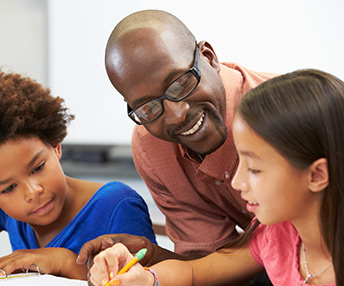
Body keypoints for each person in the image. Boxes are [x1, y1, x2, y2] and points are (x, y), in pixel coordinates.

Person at [88, 69, 343, 286]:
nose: (237, 181)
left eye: (254, 168)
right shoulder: (278, 236)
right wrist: (147, 279)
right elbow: (194, 271)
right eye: (240, 161)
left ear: (317, 175)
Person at [77, 9, 276, 267]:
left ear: (209, 57)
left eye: (181, 84)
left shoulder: (291, 114)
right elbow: (210, 267)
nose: (176, 115)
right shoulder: (152, 148)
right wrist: (153, 257)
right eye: (148, 107)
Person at [0, 71, 156, 280]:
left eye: (37, 168)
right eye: (9, 188)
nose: (33, 191)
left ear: (56, 146)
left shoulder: (117, 205)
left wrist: (63, 262)